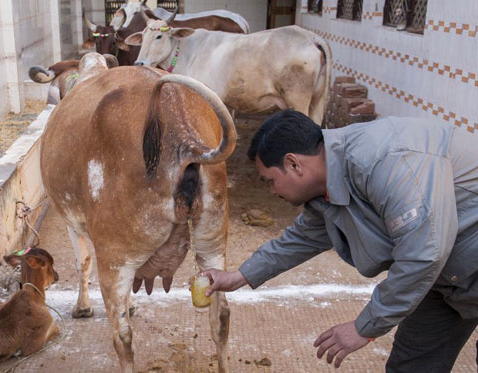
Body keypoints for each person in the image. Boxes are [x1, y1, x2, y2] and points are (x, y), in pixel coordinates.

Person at [202, 109, 478, 371]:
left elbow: (424, 252)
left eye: (269, 181)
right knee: (412, 363)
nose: (272, 191)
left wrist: (363, 327)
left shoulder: (385, 159)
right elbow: (300, 238)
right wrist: (240, 276)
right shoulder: (329, 186)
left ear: (293, 163)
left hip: (453, 262)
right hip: (445, 280)